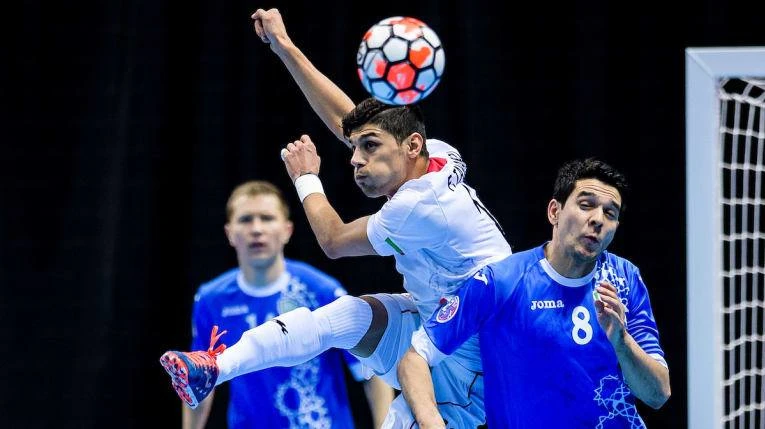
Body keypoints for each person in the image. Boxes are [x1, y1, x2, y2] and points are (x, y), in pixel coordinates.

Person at [160, 8, 512, 428]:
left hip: (474, 357)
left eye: (369, 148)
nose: (355, 160)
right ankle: (213, 368)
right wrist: (285, 47)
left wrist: (306, 178)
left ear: (411, 146)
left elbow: (333, 241)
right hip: (435, 319)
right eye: (357, 148)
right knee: (345, 316)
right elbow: (350, 122)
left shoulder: (418, 207)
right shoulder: (436, 154)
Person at [398, 158, 672, 428]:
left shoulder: (624, 279)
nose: (598, 219)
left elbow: (658, 394)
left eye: (610, 213)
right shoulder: (500, 282)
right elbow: (415, 357)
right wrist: (431, 421)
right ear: (554, 212)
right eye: (586, 205)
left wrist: (621, 340)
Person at [168, 180, 394, 429]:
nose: (257, 229)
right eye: (245, 219)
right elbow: (200, 380)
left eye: (267, 218)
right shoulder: (211, 300)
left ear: (287, 230)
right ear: (229, 233)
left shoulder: (319, 291)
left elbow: (371, 368)